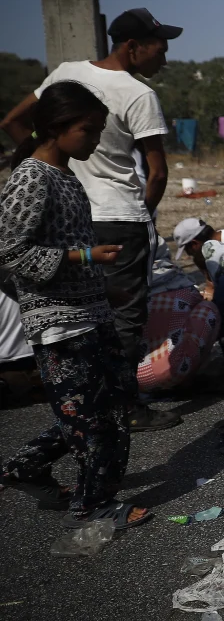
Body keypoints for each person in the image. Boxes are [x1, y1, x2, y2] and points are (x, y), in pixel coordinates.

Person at [0, 8, 181, 433]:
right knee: (122, 315)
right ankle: (122, 406)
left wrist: (47, 161)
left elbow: (13, 121)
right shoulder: (138, 94)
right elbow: (156, 172)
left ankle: (84, 400)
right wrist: (142, 215)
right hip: (119, 217)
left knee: (82, 312)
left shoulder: (66, 73)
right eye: (161, 49)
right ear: (133, 47)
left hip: (68, 214)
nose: (165, 59)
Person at [0, 81, 151, 528]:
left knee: (104, 406)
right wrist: (83, 256)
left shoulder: (65, 175)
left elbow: (65, 246)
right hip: (60, 324)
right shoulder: (32, 178)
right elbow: (8, 251)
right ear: (57, 127)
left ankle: (25, 467)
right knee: (93, 421)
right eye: (88, 130)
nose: (95, 140)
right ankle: (95, 506)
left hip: (91, 313)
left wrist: (104, 287)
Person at [139, 236, 221, 393]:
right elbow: (198, 302)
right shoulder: (180, 284)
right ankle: (187, 379)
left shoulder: (122, 286)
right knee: (208, 308)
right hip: (170, 372)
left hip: (130, 377)